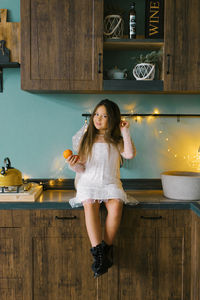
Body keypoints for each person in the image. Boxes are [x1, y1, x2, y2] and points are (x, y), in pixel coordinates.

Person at [66, 99, 136, 278]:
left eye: (104, 116)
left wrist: (125, 131)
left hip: (110, 182)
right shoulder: (86, 138)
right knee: (89, 203)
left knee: (117, 204)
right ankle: (99, 254)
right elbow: (82, 168)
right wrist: (73, 165)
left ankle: (106, 250)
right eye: (97, 114)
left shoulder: (117, 139)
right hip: (88, 182)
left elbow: (129, 154)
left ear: (112, 119)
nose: (98, 119)